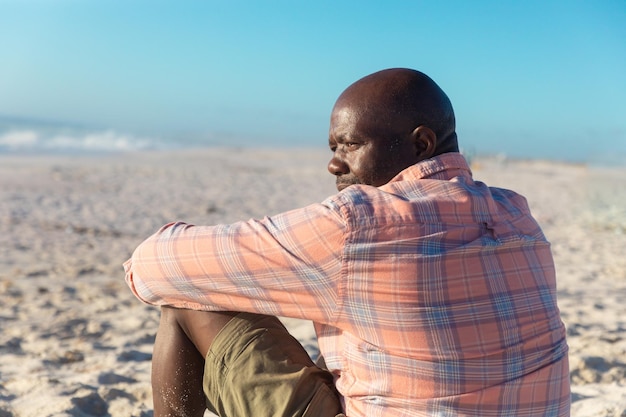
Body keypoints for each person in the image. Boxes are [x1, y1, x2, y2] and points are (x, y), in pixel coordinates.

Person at [124, 68, 570, 416]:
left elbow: (151, 266)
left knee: (187, 297)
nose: (334, 165)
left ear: (421, 143)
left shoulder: (360, 224)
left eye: (349, 145)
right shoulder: (518, 216)